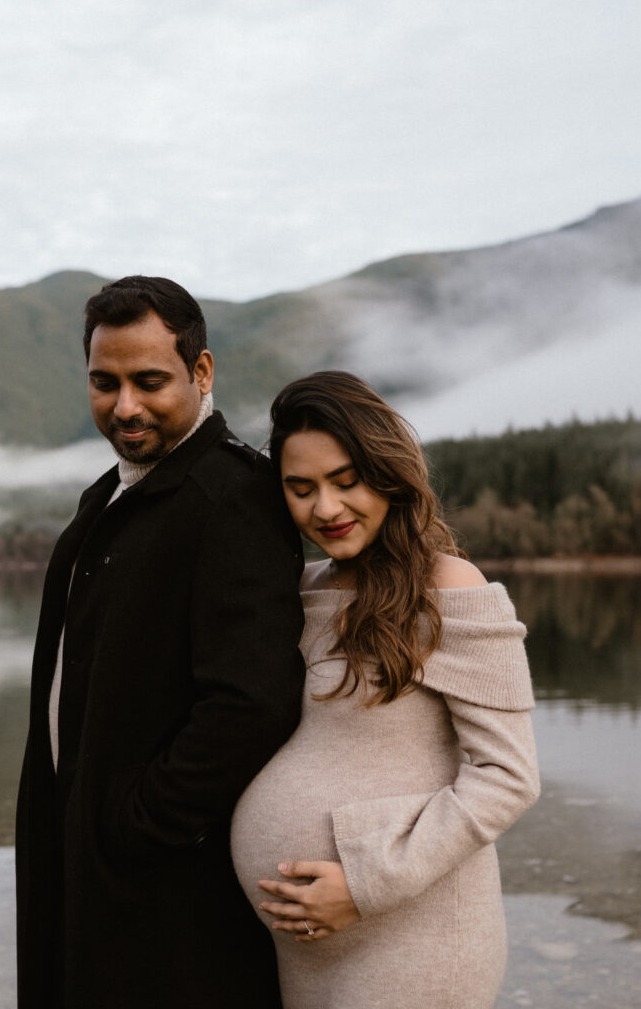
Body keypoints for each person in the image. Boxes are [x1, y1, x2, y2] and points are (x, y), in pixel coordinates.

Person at [15, 275, 305, 1009]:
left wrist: (133, 825)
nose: (124, 405)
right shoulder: (108, 495)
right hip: (87, 863)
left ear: (201, 373)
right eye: (103, 382)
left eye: (149, 381)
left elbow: (252, 704)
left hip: (163, 897)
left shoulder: (233, 497)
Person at [231, 371, 540, 1009]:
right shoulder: (303, 588)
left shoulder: (451, 586)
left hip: (416, 938)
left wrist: (365, 884)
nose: (326, 509)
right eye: (301, 488)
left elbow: (509, 777)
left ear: (388, 473)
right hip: (306, 953)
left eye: (347, 481)